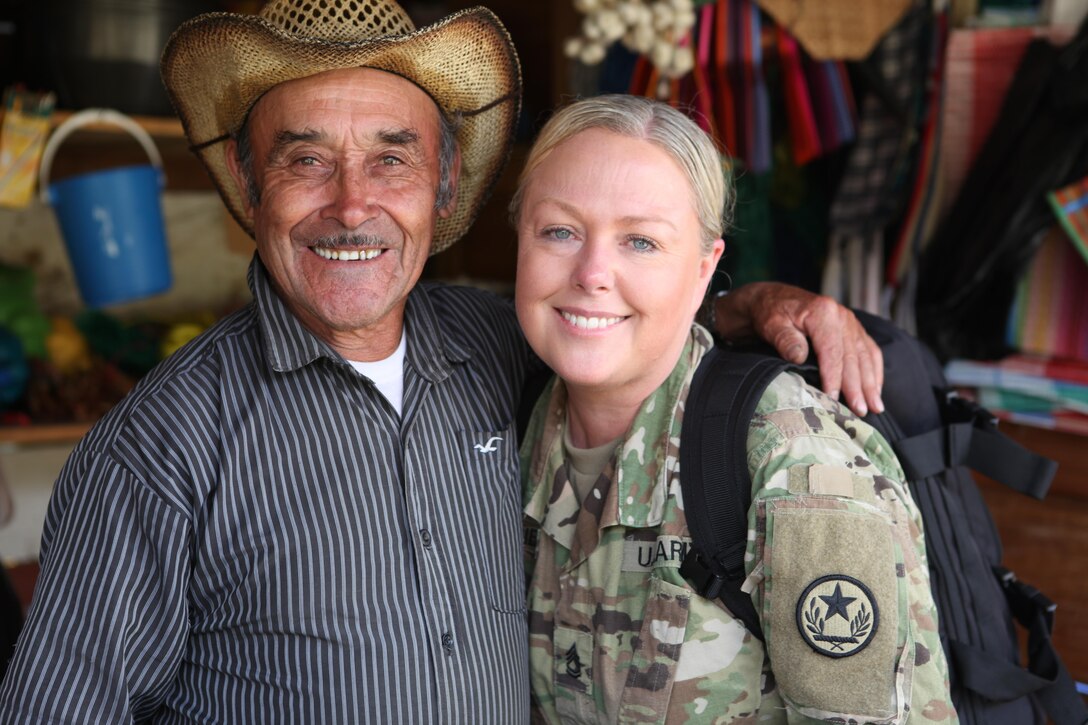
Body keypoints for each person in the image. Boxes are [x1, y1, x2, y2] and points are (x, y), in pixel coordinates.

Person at [0, 0, 884, 721]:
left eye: (392, 159)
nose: (352, 207)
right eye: (306, 159)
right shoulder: (154, 452)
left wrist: (760, 304)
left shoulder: (497, 344)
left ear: (445, 183)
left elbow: (612, 313)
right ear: (247, 179)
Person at [514, 95, 956, 723]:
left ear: (703, 270)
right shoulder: (511, 421)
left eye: (640, 241)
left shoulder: (792, 459)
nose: (592, 272)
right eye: (559, 231)